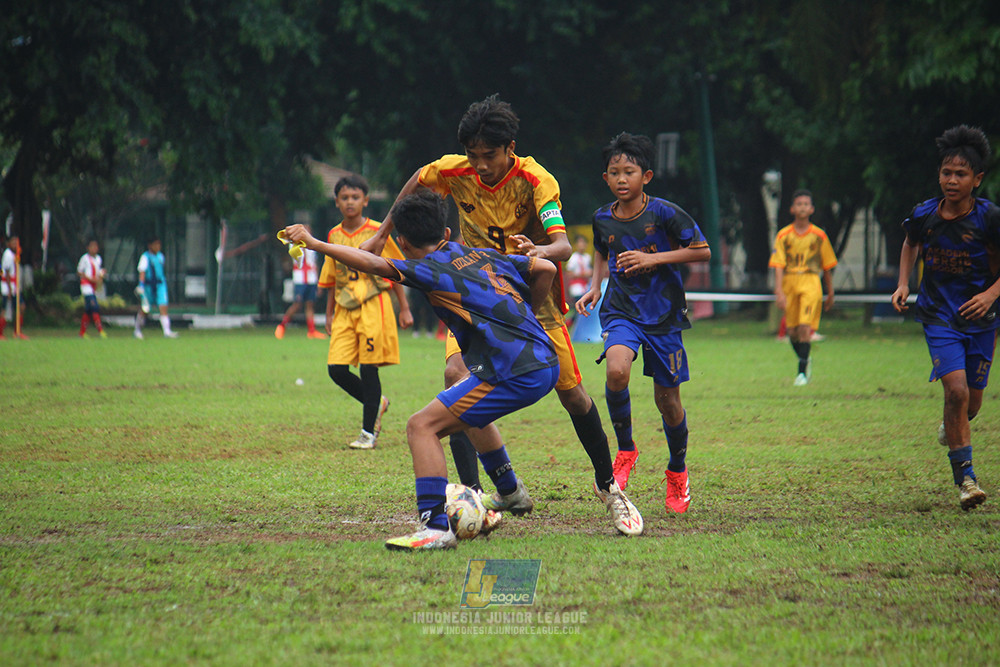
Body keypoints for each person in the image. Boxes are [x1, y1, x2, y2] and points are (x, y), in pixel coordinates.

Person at [363, 95, 641, 535]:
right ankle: (480, 496)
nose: (480, 165)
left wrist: (538, 250)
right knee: (455, 376)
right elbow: (419, 178)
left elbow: (562, 248)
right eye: (473, 155)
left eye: (489, 155)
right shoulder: (455, 170)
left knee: (572, 395)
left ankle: (610, 489)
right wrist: (381, 234)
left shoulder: (536, 180)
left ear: (510, 148)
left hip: (531, 302)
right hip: (471, 298)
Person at [283, 191, 560, 549]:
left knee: (421, 426)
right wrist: (526, 316)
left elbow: (372, 264)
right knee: (465, 406)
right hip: (544, 358)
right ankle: (510, 492)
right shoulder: (479, 253)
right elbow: (547, 268)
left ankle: (435, 527)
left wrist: (315, 243)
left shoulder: (427, 270)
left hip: (516, 371)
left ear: (402, 242)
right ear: (445, 233)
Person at [576, 132, 711, 515]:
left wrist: (654, 259)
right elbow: (602, 251)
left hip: (664, 316)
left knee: (668, 403)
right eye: (614, 172)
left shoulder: (665, 213)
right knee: (616, 370)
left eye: (629, 172)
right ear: (606, 178)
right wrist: (594, 286)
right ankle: (626, 449)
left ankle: (677, 470)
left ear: (646, 176)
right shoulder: (602, 217)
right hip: (621, 310)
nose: (622, 179)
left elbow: (702, 250)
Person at [891, 124, 999, 511]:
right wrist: (903, 283)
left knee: (971, 403)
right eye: (946, 173)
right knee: (955, 392)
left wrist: (990, 294)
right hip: (939, 315)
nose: (952, 181)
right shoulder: (924, 214)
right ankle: (966, 480)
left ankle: (953, 423)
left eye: (961, 174)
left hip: (983, 319)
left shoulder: (989, 219)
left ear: (977, 179)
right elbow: (910, 243)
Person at [319, 175, 412, 450]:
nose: (350, 202)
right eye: (345, 197)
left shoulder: (378, 231)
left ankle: (367, 433)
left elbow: (396, 269)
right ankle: (377, 402)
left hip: (374, 305)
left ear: (365, 201)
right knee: (336, 369)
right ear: (337, 202)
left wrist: (405, 308)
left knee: (369, 368)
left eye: (355, 197)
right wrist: (328, 314)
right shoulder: (333, 236)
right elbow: (331, 277)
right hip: (344, 308)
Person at [769, 189, 837, 385]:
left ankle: (801, 373)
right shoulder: (784, 235)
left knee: (805, 328)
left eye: (806, 204)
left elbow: (827, 266)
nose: (802, 207)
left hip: (810, 281)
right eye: (799, 204)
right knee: (792, 331)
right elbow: (778, 265)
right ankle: (805, 358)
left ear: (812, 209)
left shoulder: (819, 235)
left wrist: (830, 292)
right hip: (790, 282)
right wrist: (779, 290)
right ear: (792, 209)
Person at [275, 224, 326, 340]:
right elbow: (298, 258)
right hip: (300, 279)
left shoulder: (313, 245)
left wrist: (318, 281)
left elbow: (314, 264)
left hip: (311, 279)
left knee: (310, 304)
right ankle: (282, 325)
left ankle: (312, 331)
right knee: (297, 304)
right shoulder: (295, 244)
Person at [134, 237, 178, 339]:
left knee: (163, 306)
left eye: (159, 244)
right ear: (150, 246)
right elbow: (142, 272)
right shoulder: (145, 257)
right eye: (155, 244)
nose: (158, 247)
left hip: (160, 284)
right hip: (148, 286)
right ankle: (137, 330)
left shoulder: (160, 256)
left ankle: (167, 331)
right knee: (145, 309)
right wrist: (141, 285)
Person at [77, 239, 108, 338]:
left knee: (88, 310)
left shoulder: (98, 259)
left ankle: (82, 333)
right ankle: (100, 330)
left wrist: (101, 275)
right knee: (94, 307)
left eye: (96, 246)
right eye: (92, 246)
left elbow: (98, 273)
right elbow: (79, 272)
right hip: (86, 286)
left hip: (94, 286)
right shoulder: (85, 258)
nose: (94, 248)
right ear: (88, 248)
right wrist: (90, 278)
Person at [0, 234, 27, 340]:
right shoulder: (7, 255)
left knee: (21, 307)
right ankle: (1, 332)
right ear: (9, 244)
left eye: (17, 243)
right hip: (8, 287)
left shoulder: (13, 255)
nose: (15, 245)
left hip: (14, 286)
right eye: (13, 243)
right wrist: (10, 289)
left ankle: (17, 331)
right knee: (5, 309)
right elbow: (6, 272)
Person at [565, 234, 593, 323]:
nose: (582, 245)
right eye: (580, 243)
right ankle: (570, 322)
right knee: (580, 307)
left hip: (586, 286)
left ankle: (574, 323)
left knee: (583, 308)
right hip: (577, 286)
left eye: (583, 243)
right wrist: (583, 274)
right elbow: (569, 273)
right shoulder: (574, 258)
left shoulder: (587, 257)